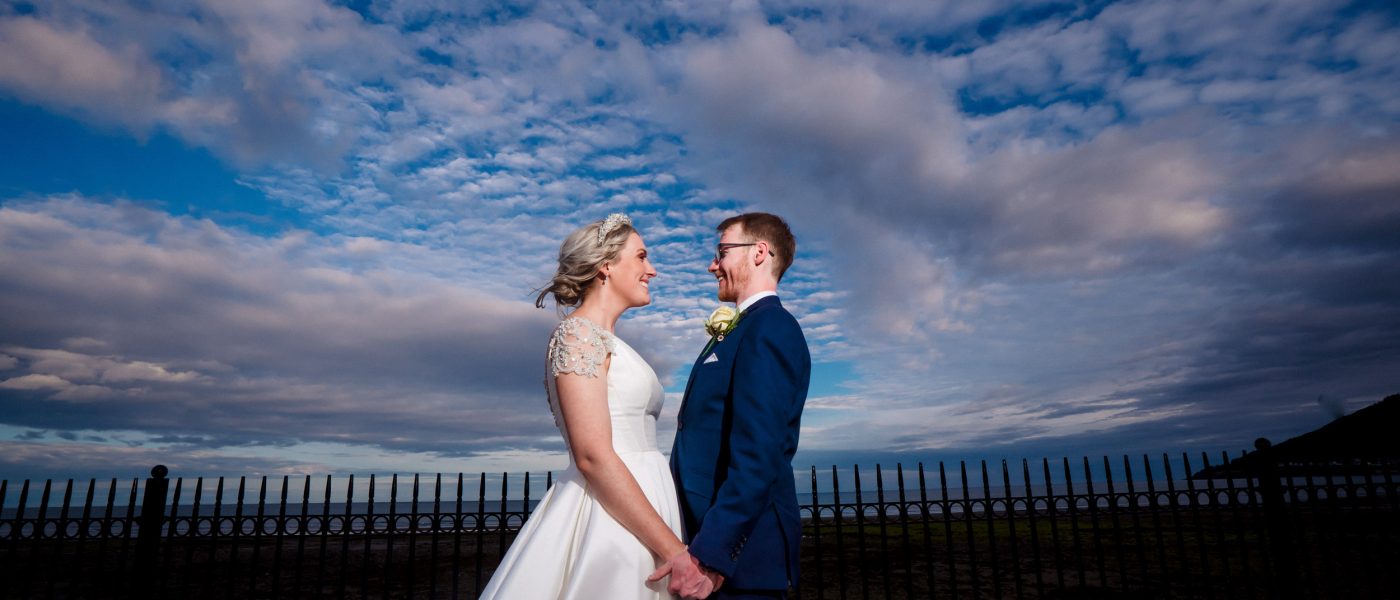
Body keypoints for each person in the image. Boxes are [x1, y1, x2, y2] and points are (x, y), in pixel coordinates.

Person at [481, 214, 717, 600]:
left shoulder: (602, 338)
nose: (652, 270)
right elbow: (591, 455)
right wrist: (676, 552)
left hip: (640, 503)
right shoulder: (579, 335)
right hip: (608, 518)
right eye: (641, 257)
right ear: (606, 266)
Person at [653, 213, 812, 599]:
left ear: (759, 253)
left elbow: (759, 455)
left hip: (742, 562)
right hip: (701, 535)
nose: (712, 265)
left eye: (722, 252)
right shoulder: (742, 329)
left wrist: (712, 556)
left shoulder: (771, 327)